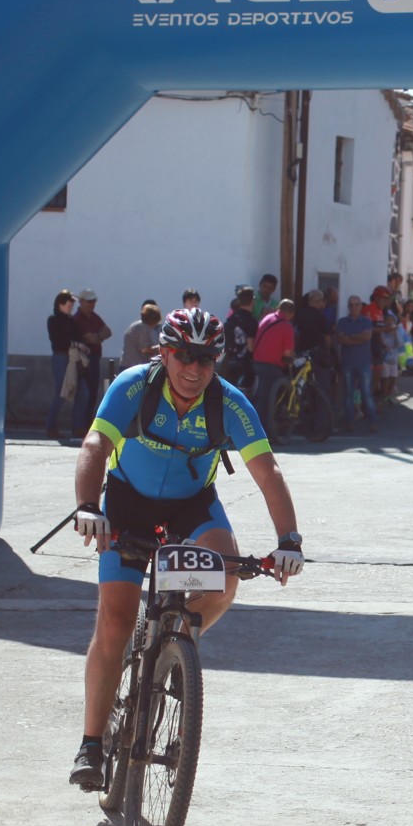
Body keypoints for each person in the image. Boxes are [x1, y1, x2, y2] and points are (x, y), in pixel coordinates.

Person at [65, 308, 304, 789]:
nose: (194, 370)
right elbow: (94, 444)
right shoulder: (134, 386)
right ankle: (92, 744)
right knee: (115, 615)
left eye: (206, 359)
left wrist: (288, 540)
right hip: (128, 503)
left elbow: (267, 471)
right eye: (183, 356)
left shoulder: (229, 403)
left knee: (224, 579)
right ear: (164, 353)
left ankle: (178, 644)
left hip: (192, 506)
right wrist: (89, 506)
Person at [71, 291, 114, 437]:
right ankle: (78, 426)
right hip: (83, 360)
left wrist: (97, 337)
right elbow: (88, 338)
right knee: (84, 394)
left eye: (94, 301)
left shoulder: (94, 317)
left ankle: (88, 425)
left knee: (93, 394)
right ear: (81, 301)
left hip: (95, 358)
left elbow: (108, 331)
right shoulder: (77, 319)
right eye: (89, 301)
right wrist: (97, 337)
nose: (92, 304)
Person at [250, 299, 297, 431]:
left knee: (262, 395)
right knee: (268, 398)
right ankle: (263, 430)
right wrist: (292, 358)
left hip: (257, 362)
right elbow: (288, 354)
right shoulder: (287, 326)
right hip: (271, 366)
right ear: (292, 314)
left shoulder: (268, 318)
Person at [335, 294, 378, 433]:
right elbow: (341, 339)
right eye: (351, 305)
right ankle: (349, 423)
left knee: (367, 393)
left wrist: (350, 337)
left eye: (357, 304)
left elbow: (367, 336)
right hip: (347, 362)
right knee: (348, 394)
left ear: (361, 306)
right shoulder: (342, 322)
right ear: (348, 307)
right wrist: (357, 339)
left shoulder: (366, 321)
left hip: (364, 362)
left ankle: (373, 422)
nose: (354, 307)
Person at [44, 290, 80, 441]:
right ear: (61, 304)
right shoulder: (53, 320)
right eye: (69, 305)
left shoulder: (70, 320)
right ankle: (50, 426)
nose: (71, 308)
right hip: (60, 356)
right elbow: (57, 340)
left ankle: (72, 426)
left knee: (72, 390)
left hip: (71, 357)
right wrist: (74, 343)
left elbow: (77, 335)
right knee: (60, 391)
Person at [222, 287, 259, 391]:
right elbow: (251, 347)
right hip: (245, 363)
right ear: (252, 300)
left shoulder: (230, 319)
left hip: (229, 360)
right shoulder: (251, 321)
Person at [119, 300, 162, 372]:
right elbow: (144, 349)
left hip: (127, 363)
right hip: (133, 366)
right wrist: (159, 347)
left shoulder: (137, 326)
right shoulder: (144, 328)